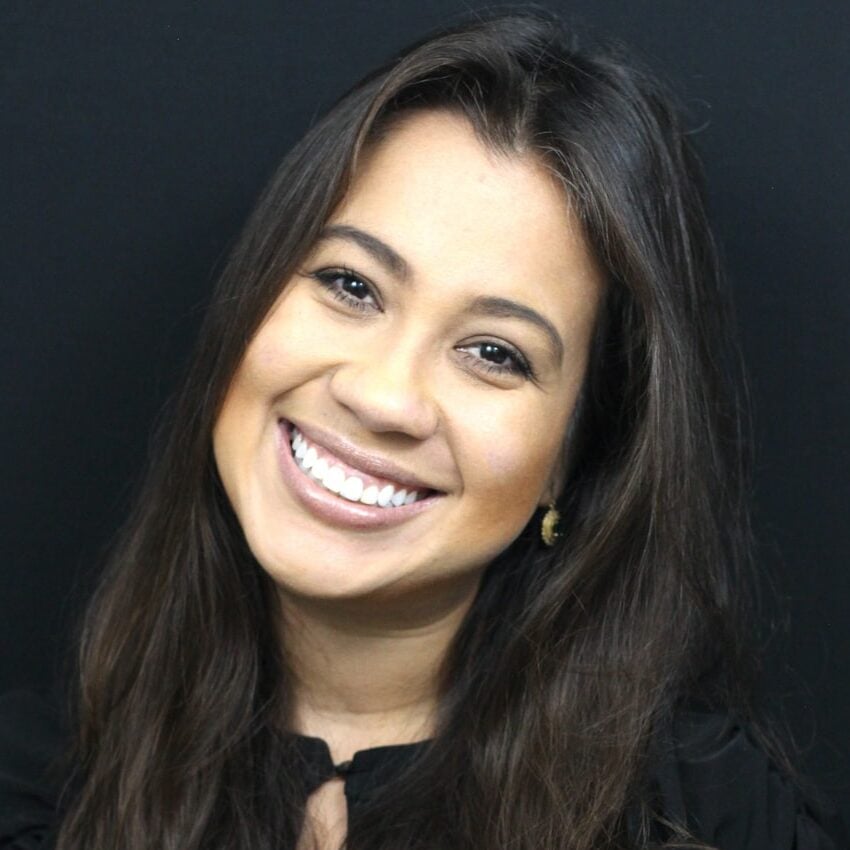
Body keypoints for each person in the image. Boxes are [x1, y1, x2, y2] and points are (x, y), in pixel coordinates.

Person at [0, 9, 845, 850]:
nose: (383, 396)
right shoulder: (33, 786)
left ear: (575, 455)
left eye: (493, 353)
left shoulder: (710, 820)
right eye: (351, 285)